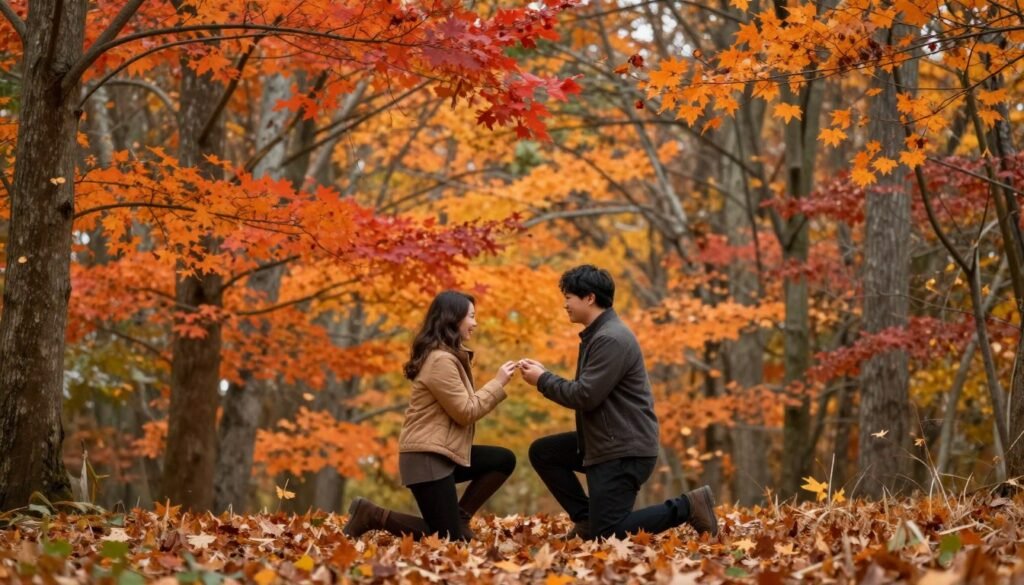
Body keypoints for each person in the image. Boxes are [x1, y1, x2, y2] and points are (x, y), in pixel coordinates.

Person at [519, 265, 718, 540]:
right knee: (544, 452)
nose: (565, 304)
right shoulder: (599, 334)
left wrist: (542, 379)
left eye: (569, 297)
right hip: (606, 442)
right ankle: (586, 519)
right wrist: (544, 377)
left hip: (623, 451)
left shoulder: (611, 338)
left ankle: (687, 506)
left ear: (589, 298)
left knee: (608, 534)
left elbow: (584, 396)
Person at [343, 291, 518, 541]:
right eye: (471, 316)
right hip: (427, 458)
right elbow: (466, 412)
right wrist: (498, 383)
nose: (476, 323)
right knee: (450, 540)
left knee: (502, 460)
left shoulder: (449, 357)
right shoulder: (440, 361)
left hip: (444, 452)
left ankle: (459, 518)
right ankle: (372, 514)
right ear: (453, 318)